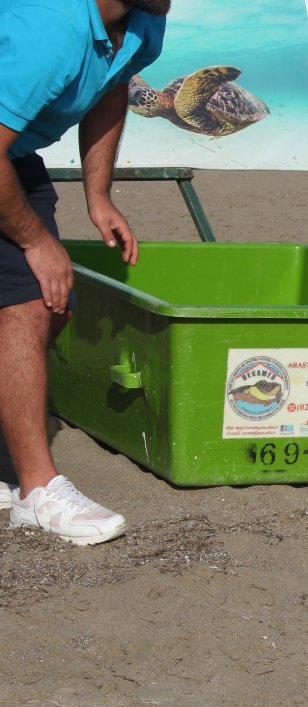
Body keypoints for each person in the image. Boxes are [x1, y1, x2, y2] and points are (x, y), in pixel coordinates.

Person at [0, 0, 168, 544]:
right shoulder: (49, 30)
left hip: (12, 158)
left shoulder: (145, 16)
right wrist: (35, 240)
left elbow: (112, 86)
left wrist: (98, 195)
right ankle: (38, 492)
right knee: (26, 305)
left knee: (52, 307)